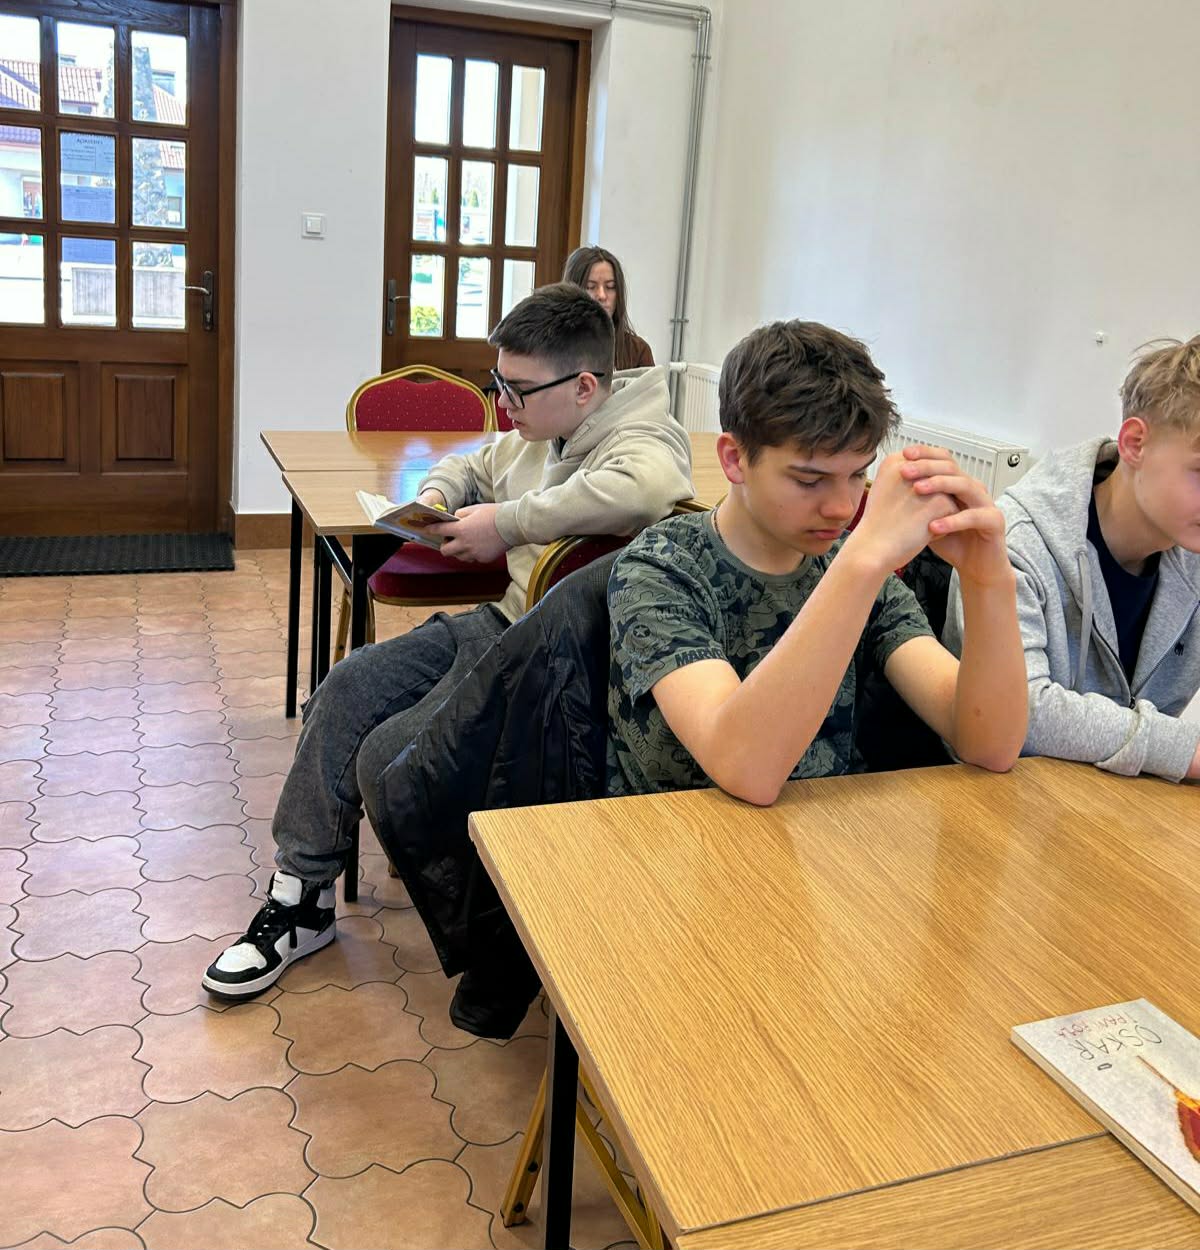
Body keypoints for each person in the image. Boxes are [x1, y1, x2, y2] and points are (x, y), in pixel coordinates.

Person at [203, 283, 694, 999]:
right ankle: (301, 899)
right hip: (502, 625)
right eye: (499, 383)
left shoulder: (644, 436)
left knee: (390, 756)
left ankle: (507, 926)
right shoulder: (539, 430)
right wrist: (436, 497)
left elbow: (643, 490)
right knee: (349, 685)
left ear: (584, 387)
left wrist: (506, 523)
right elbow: (471, 462)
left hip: (552, 664)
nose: (503, 404)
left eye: (518, 390)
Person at [606, 320, 1028, 805]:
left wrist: (987, 579)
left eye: (857, 475)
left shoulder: (852, 567)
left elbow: (988, 745)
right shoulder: (658, 570)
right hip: (674, 838)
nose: (843, 507)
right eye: (809, 481)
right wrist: (863, 561)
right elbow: (745, 769)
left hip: (816, 835)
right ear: (735, 459)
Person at [944, 336, 1200, 781]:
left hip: (1119, 803)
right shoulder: (1013, 542)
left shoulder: (1190, 545)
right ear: (1135, 443)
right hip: (990, 800)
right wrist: (1179, 749)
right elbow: (1018, 716)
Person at [562, 245, 654, 371]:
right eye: (590, 287)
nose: (602, 295)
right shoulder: (552, 347)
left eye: (610, 287)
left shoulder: (638, 351)